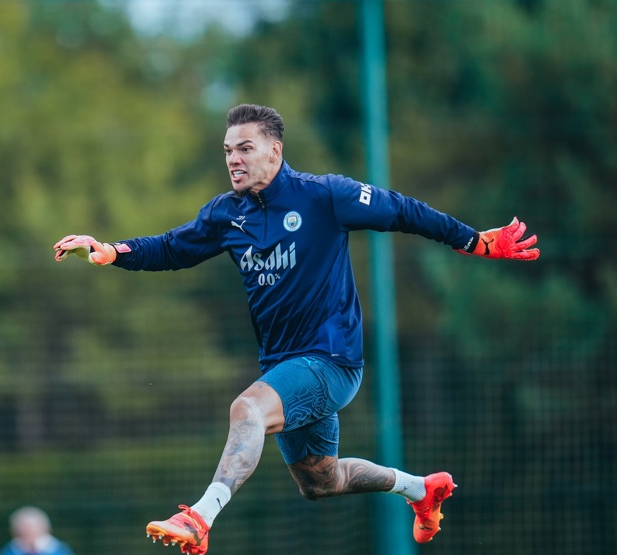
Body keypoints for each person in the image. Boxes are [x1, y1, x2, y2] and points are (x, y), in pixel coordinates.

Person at [52, 104, 539, 554]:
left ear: (274, 151)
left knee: (247, 409)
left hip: (331, 359)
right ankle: (419, 489)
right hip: (286, 365)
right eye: (227, 151)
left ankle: (200, 518)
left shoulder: (325, 195)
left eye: (245, 148)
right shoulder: (227, 213)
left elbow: (402, 209)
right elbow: (172, 247)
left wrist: (472, 240)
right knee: (319, 483)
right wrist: (111, 250)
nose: (234, 160)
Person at [0, 506, 76, 555]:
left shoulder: (60, 550)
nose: (29, 532)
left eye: (33, 529)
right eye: (24, 530)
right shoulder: (9, 552)